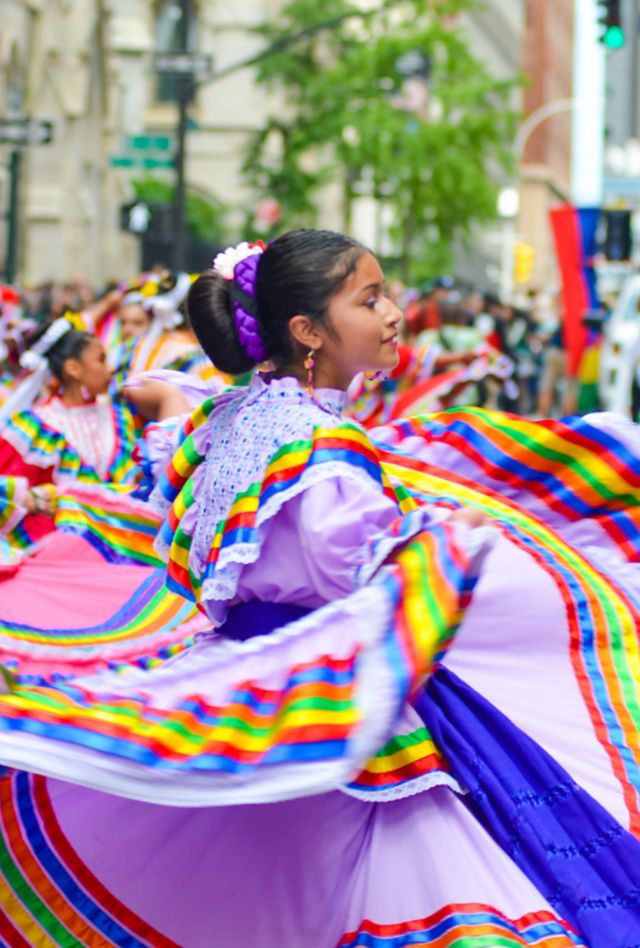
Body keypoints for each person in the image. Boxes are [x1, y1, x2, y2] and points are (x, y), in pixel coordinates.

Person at [0, 231, 639, 946]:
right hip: (328, 685)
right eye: (370, 300)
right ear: (307, 331)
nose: (393, 313)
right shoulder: (314, 442)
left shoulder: (231, 420)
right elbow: (360, 563)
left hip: (260, 686)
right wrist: (449, 534)